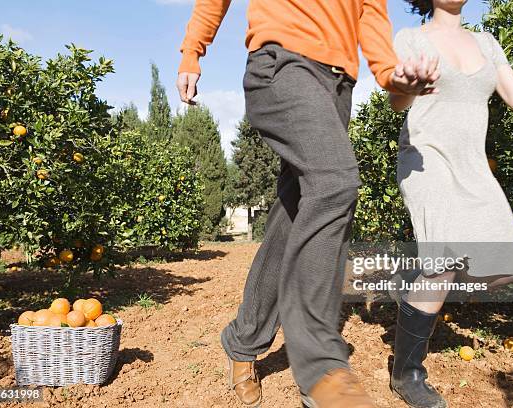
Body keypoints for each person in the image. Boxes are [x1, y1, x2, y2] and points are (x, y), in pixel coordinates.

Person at [176, 1, 440, 407]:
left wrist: (393, 76)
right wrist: (192, 51)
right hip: (283, 64)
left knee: (294, 214)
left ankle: (242, 341)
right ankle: (321, 367)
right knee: (335, 183)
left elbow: (370, 14)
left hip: (338, 87)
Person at [388, 1, 513, 408]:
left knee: (504, 267)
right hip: (425, 158)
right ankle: (407, 372)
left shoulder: (486, 42)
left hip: (472, 164)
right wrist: (406, 89)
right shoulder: (411, 38)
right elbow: (397, 100)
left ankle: (418, 289)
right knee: (442, 262)